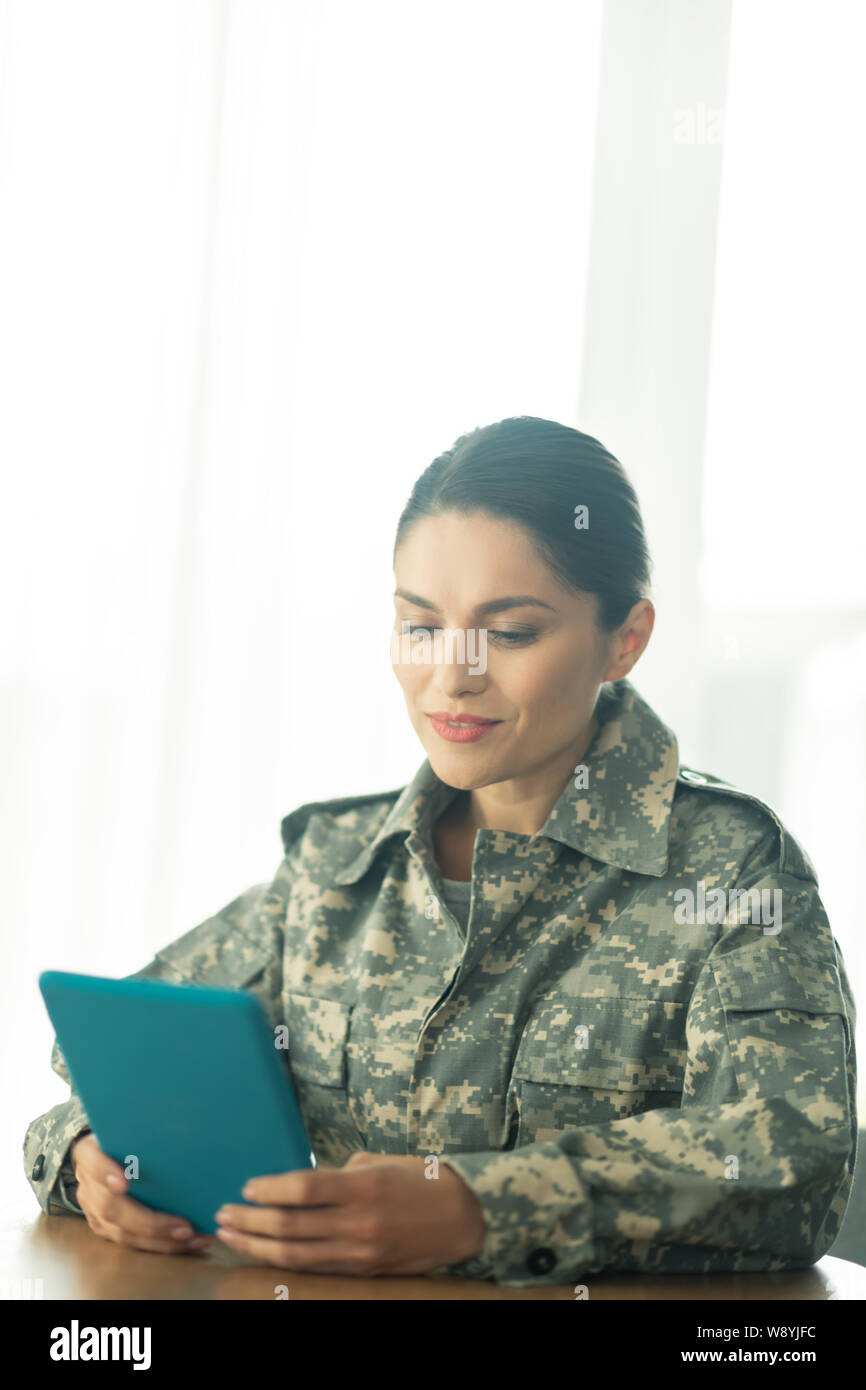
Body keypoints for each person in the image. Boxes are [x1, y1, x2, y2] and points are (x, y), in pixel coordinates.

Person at [23, 416, 857, 1286]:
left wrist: (478, 1207)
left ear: (625, 639)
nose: (452, 674)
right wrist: (87, 1154)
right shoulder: (333, 865)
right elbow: (117, 1056)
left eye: (511, 632)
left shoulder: (732, 866)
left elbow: (793, 1161)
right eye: (421, 626)